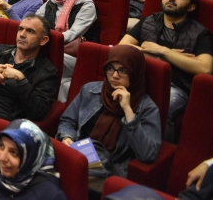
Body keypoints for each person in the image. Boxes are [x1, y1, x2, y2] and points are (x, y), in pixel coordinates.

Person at [57, 44, 161, 181]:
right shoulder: (90, 90)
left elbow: (148, 154)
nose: (115, 76)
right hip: (78, 152)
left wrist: (128, 111)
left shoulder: (147, 108)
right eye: (110, 68)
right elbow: (67, 121)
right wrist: (66, 137)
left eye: (123, 70)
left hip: (110, 167)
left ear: (135, 73)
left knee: (67, 180)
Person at [120, 0, 213, 133]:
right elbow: (122, 47)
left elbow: (205, 68)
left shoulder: (200, 33)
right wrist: (158, 57)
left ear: (191, 7)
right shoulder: (149, 21)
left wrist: (163, 51)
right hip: (140, 77)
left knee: (158, 107)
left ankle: (159, 152)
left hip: (176, 87)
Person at [0, 15, 59, 140]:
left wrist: (21, 80)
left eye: (30, 31)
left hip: (5, 124)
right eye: (20, 29)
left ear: (43, 40)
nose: (22, 35)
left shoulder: (47, 72)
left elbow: (38, 112)